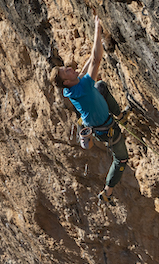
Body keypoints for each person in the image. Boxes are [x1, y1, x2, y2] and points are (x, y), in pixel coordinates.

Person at [50, 14, 129, 200]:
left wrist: (80, 69)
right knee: (121, 159)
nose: (69, 68)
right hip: (106, 130)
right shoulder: (82, 88)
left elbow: (84, 72)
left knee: (100, 86)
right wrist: (97, 29)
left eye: (65, 67)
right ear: (66, 81)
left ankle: (120, 116)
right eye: (66, 71)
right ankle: (107, 192)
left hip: (95, 120)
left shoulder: (69, 90)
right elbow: (96, 60)